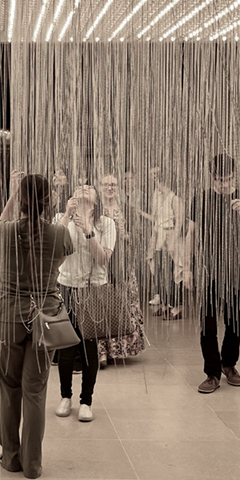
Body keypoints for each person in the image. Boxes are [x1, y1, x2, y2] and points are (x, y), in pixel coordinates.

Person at [0, 171, 73, 479]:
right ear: (49, 201)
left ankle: (10, 458)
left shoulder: (4, 231)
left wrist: (13, 195)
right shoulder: (59, 234)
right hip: (46, 317)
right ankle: (33, 465)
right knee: (35, 392)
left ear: (21, 201)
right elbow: (59, 263)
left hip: (9, 317)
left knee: (9, 388)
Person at [184, 154, 240, 394]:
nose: (224, 184)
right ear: (212, 177)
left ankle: (229, 364)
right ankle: (212, 373)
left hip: (236, 271)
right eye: (219, 179)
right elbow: (192, 235)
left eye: (228, 179)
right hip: (208, 269)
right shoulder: (202, 199)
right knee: (208, 323)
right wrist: (187, 268)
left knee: (235, 321)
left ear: (234, 176)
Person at [51, 185, 116, 422]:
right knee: (66, 347)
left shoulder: (106, 223)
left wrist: (88, 230)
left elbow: (102, 259)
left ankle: (86, 400)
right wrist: (68, 216)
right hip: (66, 287)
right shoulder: (60, 218)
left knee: (89, 348)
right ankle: (65, 397)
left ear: (96, 199)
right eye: (79, 187)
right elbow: (52, 248)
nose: (83, 189)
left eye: (89, 188)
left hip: (94, 290)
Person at [95, 173, 147, 367]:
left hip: (122, 262)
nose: (110, 188)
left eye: (114, 185)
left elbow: (137, 237)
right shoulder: (95, 210)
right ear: (100, 187)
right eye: (106, 184)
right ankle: (101, 351)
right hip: (101, 262)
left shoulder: (127, 210)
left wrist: (126, 236)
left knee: (123, 303)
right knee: (101, 304)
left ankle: (120, 347)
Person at [142, 165, 186, 320]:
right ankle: (165, 303)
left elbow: (179, 220)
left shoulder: (174, 198)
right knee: (161, 272)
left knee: (174, 272)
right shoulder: (156, 195)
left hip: (170, 235)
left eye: (155, 176)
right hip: (158, 236)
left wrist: (173, 241)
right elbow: (156, 218)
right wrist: (140, 213)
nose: (153, 178)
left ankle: (177, 306)